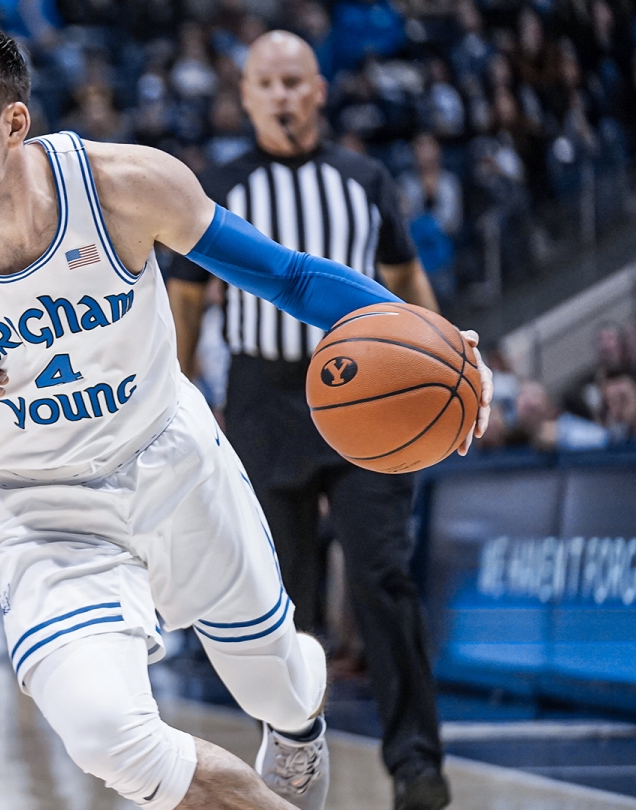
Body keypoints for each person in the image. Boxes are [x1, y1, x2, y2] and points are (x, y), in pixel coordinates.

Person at [0, 18, 492, 810]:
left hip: (174, 458)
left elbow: (286, 276)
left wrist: (432, 338)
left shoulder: (124, 185)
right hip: (44, 505)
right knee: (105, 735)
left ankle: (297, 727)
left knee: (277, 688)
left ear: (13, 122)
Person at [168, 32, 452, 810]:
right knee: (279, 597)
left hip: (376, 397)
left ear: (319, 90)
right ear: (248, 93)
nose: (285, 95)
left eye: (297, 82)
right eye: (270, 83)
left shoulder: (365, 178)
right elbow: (187, 300)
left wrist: (451, 360)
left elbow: (404, 279)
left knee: (383, 577)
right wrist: (180, 392)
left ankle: (418, 767)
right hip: (265, 398)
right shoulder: (216, 185)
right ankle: (291, 770)